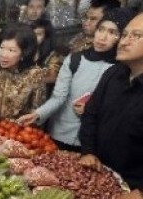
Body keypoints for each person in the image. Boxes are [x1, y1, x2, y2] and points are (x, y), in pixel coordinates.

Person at [18, 8, 135, 152]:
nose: (102, 37)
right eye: (101, 29)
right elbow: (59, 97)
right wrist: (38, 114)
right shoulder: (75, 59)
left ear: (122, 37)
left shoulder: (122, 70)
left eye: (112, 33)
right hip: (60, 133)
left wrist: (94, 109)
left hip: (92, 143)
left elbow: (121, 111)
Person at [78, 12, 143, 189]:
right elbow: (91, 114)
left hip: (132, 189)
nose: (123, 41)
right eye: (125, 35)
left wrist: (141, 191)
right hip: (98, 174)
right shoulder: (113, 74)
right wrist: (88, 151)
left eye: (136, 36)